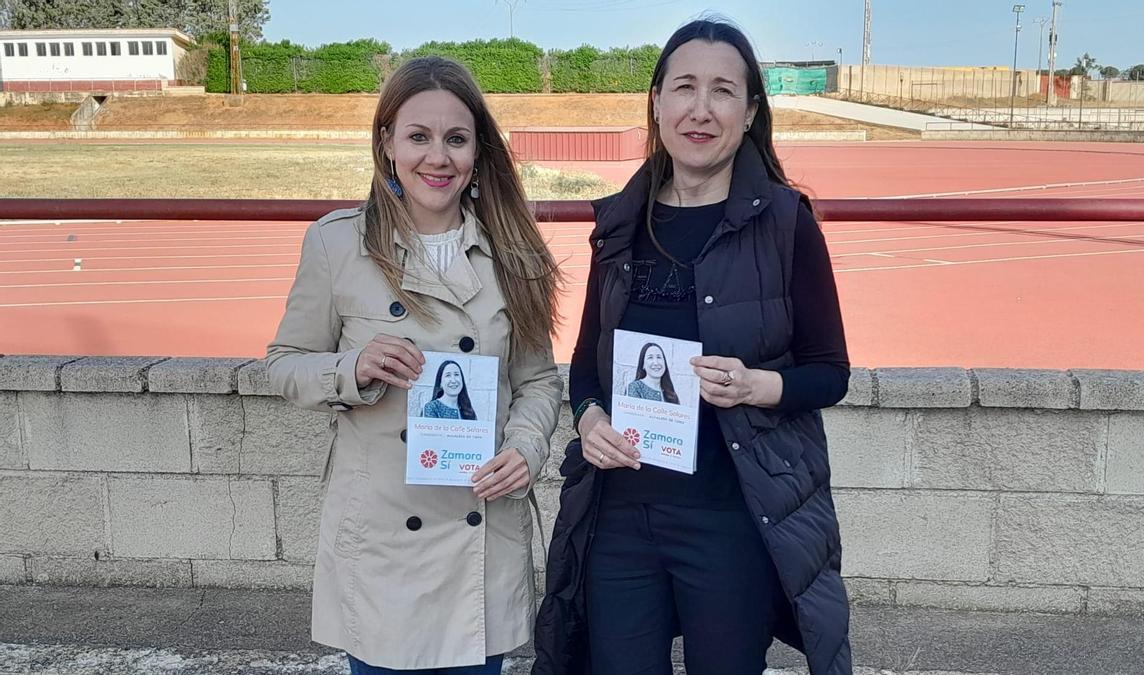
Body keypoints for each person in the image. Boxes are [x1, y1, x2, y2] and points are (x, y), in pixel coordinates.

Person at [534, 18, 852, 675]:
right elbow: (588, 366)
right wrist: (590, 420)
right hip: (620, 516)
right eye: (683, 87)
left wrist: (754, 384)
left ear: (751, 109)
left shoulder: (786, 222)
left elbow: (830, 372)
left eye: (722, 91)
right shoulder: (622, 221)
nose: (700, 109)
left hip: (730, 519)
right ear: (656, 102)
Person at [267, 56, 563, 675]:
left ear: (478, 151)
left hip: (478, 538)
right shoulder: (337, 243)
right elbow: (284, 366)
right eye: (418, 136)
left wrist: (526, 447)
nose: (438, 157)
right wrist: (352, 369)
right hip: (382, 547)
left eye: (456, 138)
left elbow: (536, 379)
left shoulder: (516, 251)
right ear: (387, 143)